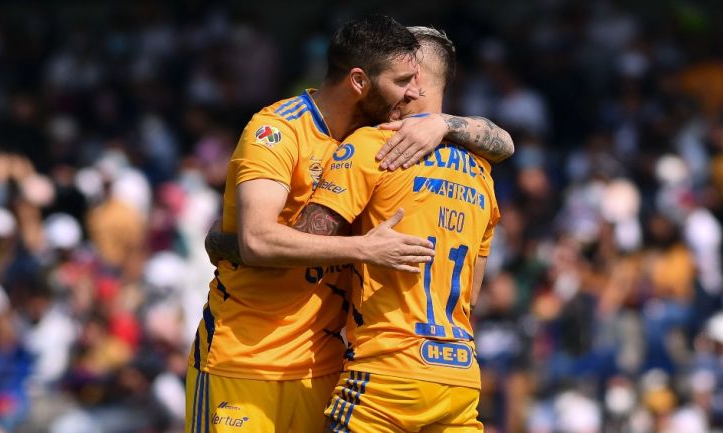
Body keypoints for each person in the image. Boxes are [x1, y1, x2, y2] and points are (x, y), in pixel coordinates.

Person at [193, 16, 512, 433]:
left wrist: (443, 122)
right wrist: (363, 248)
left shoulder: (375, 143)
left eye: (416, 82)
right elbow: (258, 241)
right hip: (246, 358)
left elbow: (503, 140)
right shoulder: (278, 130)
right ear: (361, 81)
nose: (412, 92)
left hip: (327, 366)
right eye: (401, 81)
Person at [292, 27, 499, 432]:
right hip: (459, 379)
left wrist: (241, 238)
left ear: (413, 80)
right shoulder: (482, 173)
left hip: (388, 375)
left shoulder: (374, 146)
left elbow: (304, 243)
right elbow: (472, 293)